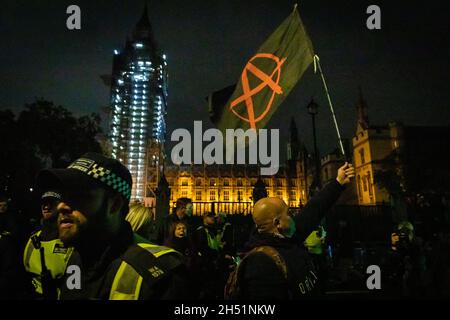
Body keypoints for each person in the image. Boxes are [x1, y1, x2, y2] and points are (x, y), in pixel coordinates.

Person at [35, 152, 190, 300]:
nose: (61, 206)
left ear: (115, 204)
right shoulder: (75, 257)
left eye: (79, 195)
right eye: (63, 196)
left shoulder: (160, 275)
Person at [226, 162, 355, 300]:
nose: (293, 216)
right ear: (277, 223)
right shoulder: (261, 263)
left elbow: (313, 210)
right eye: (288, 213)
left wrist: (338, 183)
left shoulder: (287, 236)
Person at [23, 190, 73, 299]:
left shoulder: (70, 239)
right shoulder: (33, 238)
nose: (46, 207)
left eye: (51, 203)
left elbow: (75, 284)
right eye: (43, 204)